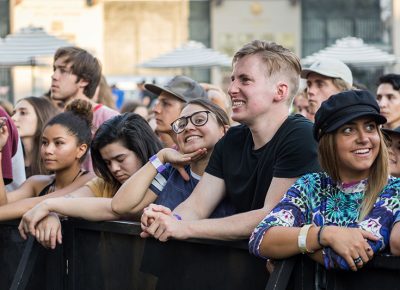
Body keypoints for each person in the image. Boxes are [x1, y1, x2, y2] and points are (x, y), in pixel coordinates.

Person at [140, 40, 320, 242]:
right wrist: (167, 220)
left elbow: (271, 215)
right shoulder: (232, 140)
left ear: (280, 91)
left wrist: (185, 227)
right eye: (233, 79)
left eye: (245, 80)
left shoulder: (301, 135)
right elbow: (197, 205)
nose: (231, 89)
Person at [249, 90, 400, 272]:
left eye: (370, 127)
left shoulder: (394, 191)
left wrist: (289, 248)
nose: (363, 138)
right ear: (328, 142)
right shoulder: (311, 185)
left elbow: (349, 256)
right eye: (348, 130)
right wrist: (325, 234)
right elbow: (261, 238)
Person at [18, 113, 163, 248]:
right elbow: (72, 199)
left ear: (141, 149)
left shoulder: (168, 180)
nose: (114, 168)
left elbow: (116, 207)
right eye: (107, 162)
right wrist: (53, 214)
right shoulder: (105, 184)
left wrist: (49, 206)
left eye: (120, 159)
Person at [112, 99, 234, 218]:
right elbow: (120, 206)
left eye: (199, 120)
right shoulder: (170, 170)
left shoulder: (237, 172)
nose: (188, 127)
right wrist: (161, 156)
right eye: (182, 124)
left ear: (224, 131)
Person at [0, 100, 95, 219]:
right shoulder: (36, 182)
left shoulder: (90, 180)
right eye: (44, 142)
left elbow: (33, 205)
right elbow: (3, 204)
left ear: (81, 150)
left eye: (59, 143)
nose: (48, 150)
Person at [50, 46, 119, 171]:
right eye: (55, 69)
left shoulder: (110, 119)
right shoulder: (55, 118)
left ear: (84, 81)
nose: (54, 76)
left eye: (63, 71)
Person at [145, 75, 207, 148]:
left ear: (189, 109)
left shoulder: (203, 155)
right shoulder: (171, 153)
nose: (155, 110)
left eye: (165, 104)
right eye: (158, 102)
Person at [12, 96, 58, 177]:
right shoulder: (12, 159)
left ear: (41, 117)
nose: (13, 118)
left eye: (23, 113)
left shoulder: (54, 162)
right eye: (14, 113)